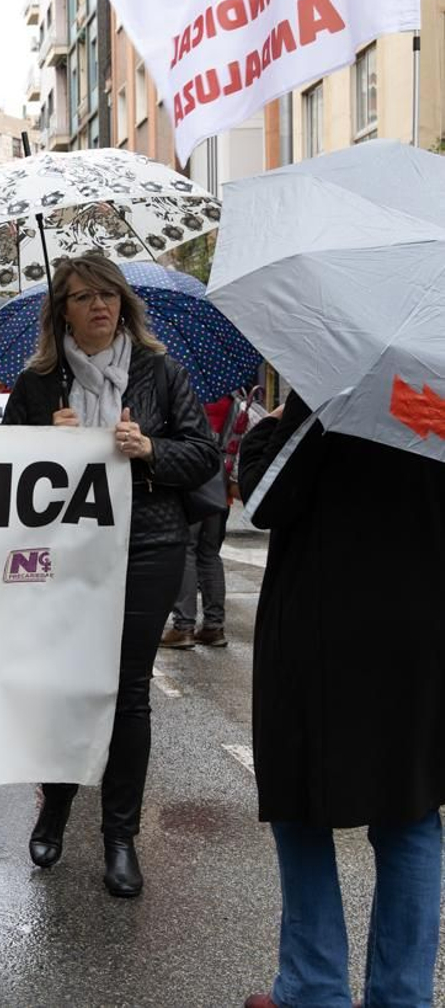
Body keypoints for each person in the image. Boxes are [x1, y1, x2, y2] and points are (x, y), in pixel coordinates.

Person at [3, 253, 219, 899]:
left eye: (109, 294)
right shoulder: (39, 383)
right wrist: (46, 440)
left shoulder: (159, 371)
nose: (99, 305)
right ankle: (57, 802)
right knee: (70, 683)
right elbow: (1, 470)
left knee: (127, 689)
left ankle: (120, 836)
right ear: (61, 311)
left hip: (148, 544)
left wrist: (149, 450)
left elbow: (203, 452)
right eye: (83, 296)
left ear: (124, 303)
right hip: (65, 553)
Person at [238, 393, 445, 1008]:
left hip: (322, 628)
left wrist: (265, 433)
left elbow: (266, 499)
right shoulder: (433, 381)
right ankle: (402, 997)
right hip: (423, 628)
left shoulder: (339, 379)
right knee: (409, 810)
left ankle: (312, 987)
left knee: (302, 804)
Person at [161, 395, 235, 649]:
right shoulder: (230, 397)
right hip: (219, 479)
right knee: (210, 553)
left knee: (187, 550)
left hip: (194, 475)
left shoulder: (185, 396)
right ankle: (214, 626)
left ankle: (184, 627)